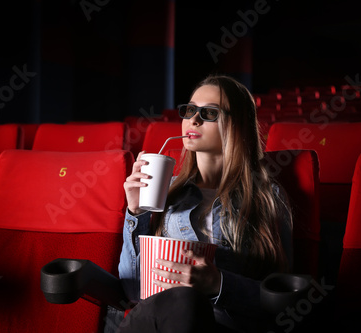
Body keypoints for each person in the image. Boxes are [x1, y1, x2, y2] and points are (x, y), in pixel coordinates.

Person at [116, 75, 293, 332]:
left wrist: (218, 284)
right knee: (181, 300)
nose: (193, 119)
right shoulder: (168, 192)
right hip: (156, 321)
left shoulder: (267, 197)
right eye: (190, 110)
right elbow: (133, 289)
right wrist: (136, 212)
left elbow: (285, 299)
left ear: (237, 125)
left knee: (187, 301)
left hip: (224, 325)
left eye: (209, 113)